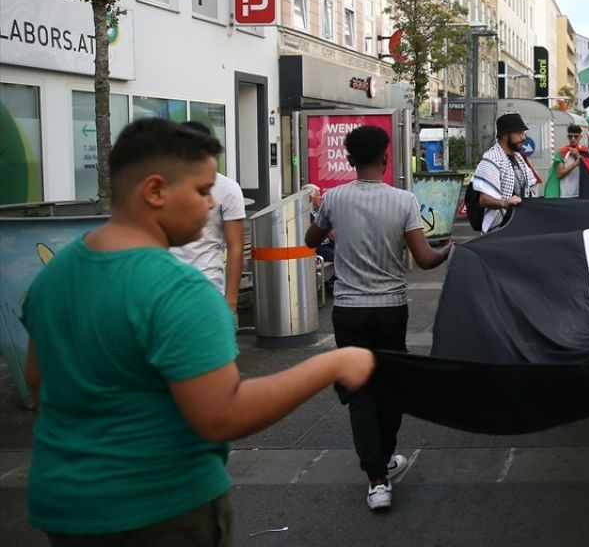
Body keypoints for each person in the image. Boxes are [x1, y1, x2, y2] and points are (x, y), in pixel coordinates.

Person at [22, 118, 375, 544]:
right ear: (154, 191)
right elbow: (222, 414)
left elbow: (37, 382)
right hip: (161, 510)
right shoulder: (178, 289)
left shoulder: (54, 275)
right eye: (202, 190)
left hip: (64, 506)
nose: (211, 204)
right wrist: (334, 363)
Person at [304, 125, 450, 511]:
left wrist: (320, 213)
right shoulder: (404, 201)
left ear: (349, 159)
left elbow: (309, 240)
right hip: (390, 309)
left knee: (360, 393)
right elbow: (424, 259)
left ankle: (377, 477)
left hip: (349, 311)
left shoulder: (333, 199)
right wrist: (449, 248)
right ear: (386, 157)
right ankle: (384, 456)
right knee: (390, 386)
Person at [169, 121, 245, 322]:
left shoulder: (227, 188)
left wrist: (231, 301)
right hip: (164, 294)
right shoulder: (162, 185)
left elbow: (236, 247)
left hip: (207, 291)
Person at [473, 113, 538, 233]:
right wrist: (505, 203)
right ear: (504, 134)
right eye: (519, 132)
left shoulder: (519, 158)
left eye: (523, 132)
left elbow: (529, 188)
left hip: (520, 226)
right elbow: (484, 200)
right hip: (500, 230)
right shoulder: (492, 159)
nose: (523, 137)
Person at [556, 124, 589, 198]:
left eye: (576, 136)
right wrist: (575, 164)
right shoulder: (562, 152)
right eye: (570, 136)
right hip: (566, 193)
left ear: (580, 137)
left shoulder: (585, 151)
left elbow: (588, 172)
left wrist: (577, 156)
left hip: (581, 192)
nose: (573, 139)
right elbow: (560, 174)